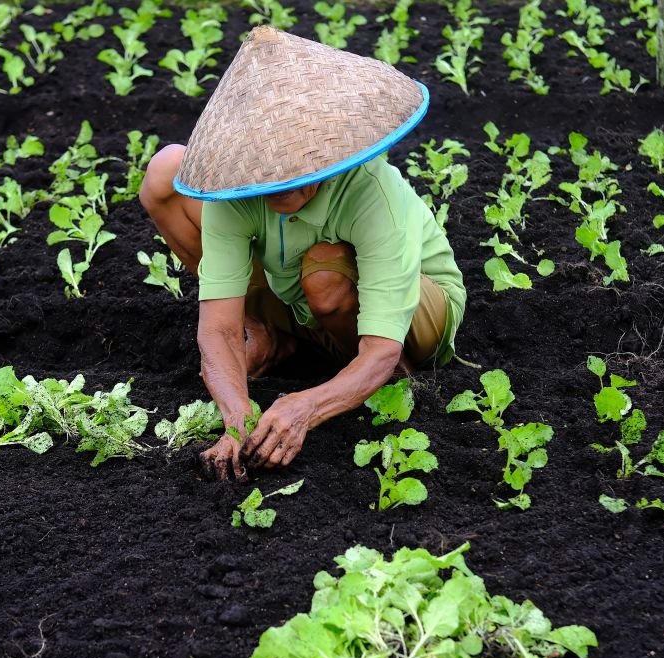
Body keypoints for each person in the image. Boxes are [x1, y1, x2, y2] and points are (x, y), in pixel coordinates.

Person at [139, 26, 466, 481]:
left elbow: (380, 348)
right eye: (264, 168)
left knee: (323, 273)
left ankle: (386, 387)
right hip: (297, 295)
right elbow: (217, 332)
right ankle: (285, 341)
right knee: (167, 170)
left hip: (416, 316)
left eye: (292, 168)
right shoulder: (236, 188)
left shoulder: (370, 192)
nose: (278, 184)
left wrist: (306, 406)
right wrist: (239, 418)